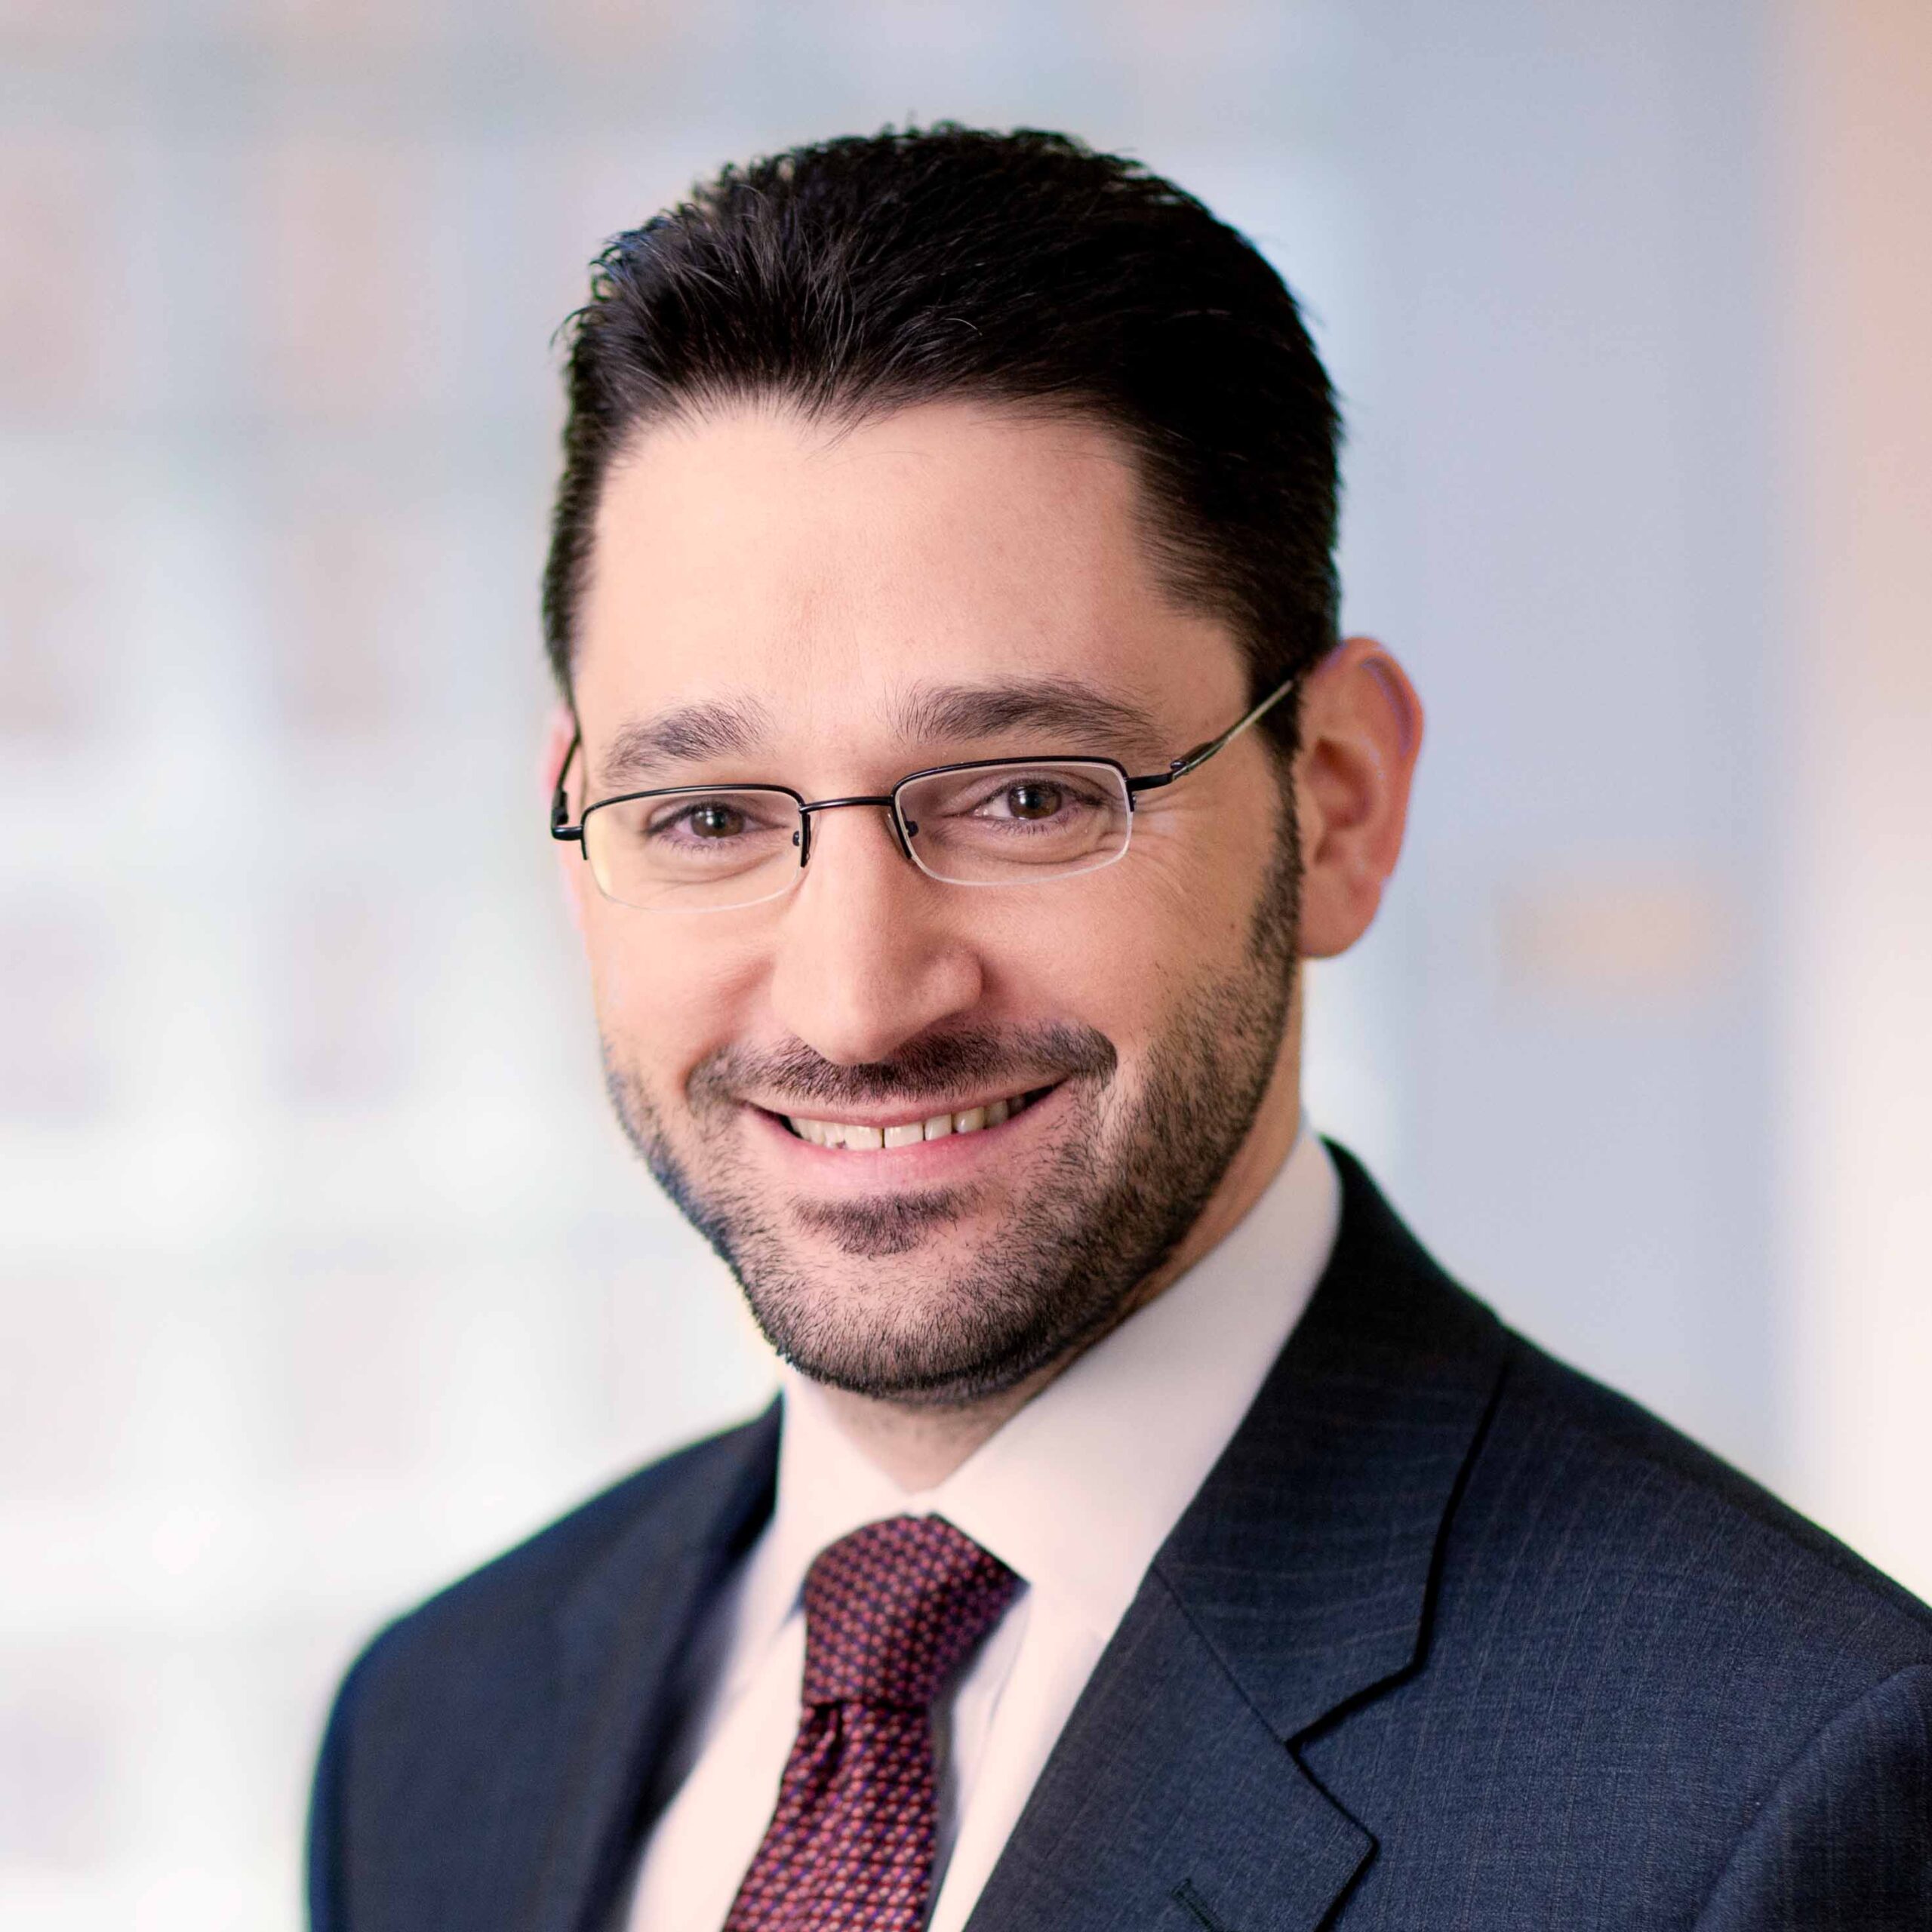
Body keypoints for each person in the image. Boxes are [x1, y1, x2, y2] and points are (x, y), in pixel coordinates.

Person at [306, 127, 1932, 1931]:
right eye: (707, 815)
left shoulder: (1779, 1795)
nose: (854, 999)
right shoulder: (437, 1727)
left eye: (1025, 795)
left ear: (1335, 800)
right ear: (575, 835)